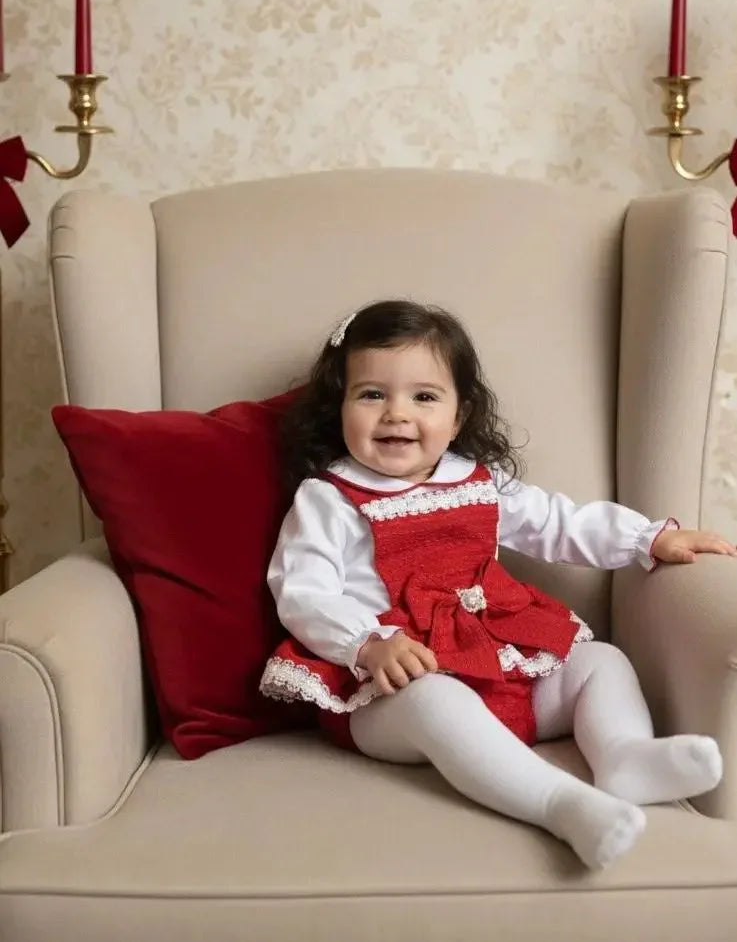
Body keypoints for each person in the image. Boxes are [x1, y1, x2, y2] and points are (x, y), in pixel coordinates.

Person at [260, 299, 735, 869]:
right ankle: (561, 804)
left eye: (424, 396)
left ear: (458, 417)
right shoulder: (330, 498)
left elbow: (558, 522)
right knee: (434, 698)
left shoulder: (480, 484)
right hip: (389, 692)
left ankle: (623, 756)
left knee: (600, 661)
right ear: (338, 408)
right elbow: (303, 589)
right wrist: (367, 643)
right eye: (371, 394)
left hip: (501, 667)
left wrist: (644, 540)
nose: (396, 414)